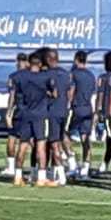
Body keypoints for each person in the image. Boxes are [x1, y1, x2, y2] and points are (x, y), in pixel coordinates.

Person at [13, 51, 56, 187]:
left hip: (25, 113)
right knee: (41, 145)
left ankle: (18, 176)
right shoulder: (45, 77)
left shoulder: (21, 77)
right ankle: (41, 177)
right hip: (40, 114)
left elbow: (16, 94)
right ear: (40, 64)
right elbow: (55, 94)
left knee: (23, 145)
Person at [44, 49, 75, 186]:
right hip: (64, 110)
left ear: (49, 59)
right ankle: (60, 168)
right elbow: (70, 92)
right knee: (62, 137)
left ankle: (61, 175)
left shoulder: (46, 75)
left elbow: (53, 93)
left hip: (52, 111)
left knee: (53, 143)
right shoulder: (65, 74)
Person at [66, 50, 96, 180]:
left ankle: (72, 162)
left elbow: (71, 90)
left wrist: (68, 104)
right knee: (86, 138)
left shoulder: (73, 74)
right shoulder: (91, 75)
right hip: (88, 107)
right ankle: (85, 168)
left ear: (76, 59)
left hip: (76, 108)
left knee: (63, 132)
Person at [1, 53, 25, 178]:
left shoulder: (14, 77)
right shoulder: (34, 76)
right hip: (29, 110)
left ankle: (12, 167)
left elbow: (12, 95)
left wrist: (9, 111)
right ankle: (37, 168)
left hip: (20, 110)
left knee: (13, 137)